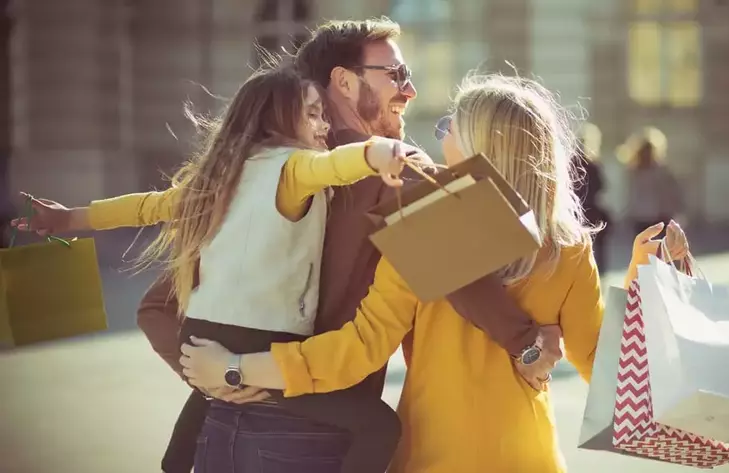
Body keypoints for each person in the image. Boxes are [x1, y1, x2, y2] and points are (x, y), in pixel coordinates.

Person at [14, 18, 561, 472]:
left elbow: (158, 305)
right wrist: (526, 343)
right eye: (396, 73)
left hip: (222, 426)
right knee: (380, 431)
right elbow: (455, 264)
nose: (410, 89)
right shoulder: (388, 171)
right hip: (307, 438)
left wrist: (222, 376)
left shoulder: (239, 180)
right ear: (343, 82)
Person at [180, 74, 690, 472]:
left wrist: (236, 368)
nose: (442, 139)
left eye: (453, 128)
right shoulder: (567, 248)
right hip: (530, 460)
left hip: (431, 460)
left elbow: (356, 351)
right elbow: (608, 372)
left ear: (481, 150)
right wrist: (648, 280)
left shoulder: (425, 229)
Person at [16, 63, 418, 472]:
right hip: (258, 345)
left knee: (211, 395)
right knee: (379, 424)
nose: (323, 126)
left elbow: (147, 206)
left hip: (200, 333)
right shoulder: (293, 168)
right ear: (276, 120)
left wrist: (71, 219)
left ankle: (175, 462)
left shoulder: (220, 176)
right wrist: (377, 153)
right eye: (312, 114)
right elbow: (332, 166)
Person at [620, 127, 683, 236]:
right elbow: (632, 193)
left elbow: (670, 192)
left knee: (658, 248)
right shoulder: (634, 170)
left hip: (660, 216)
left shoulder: (661, 170)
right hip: (641, 216)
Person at [573, 122, 612, 273]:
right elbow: (603, 187)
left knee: (581, 244)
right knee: (596, 244)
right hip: (590, 209)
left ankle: (584, 270)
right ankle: (597, 271)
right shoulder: (594, 164)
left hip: (578, 209)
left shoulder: (573, 162)